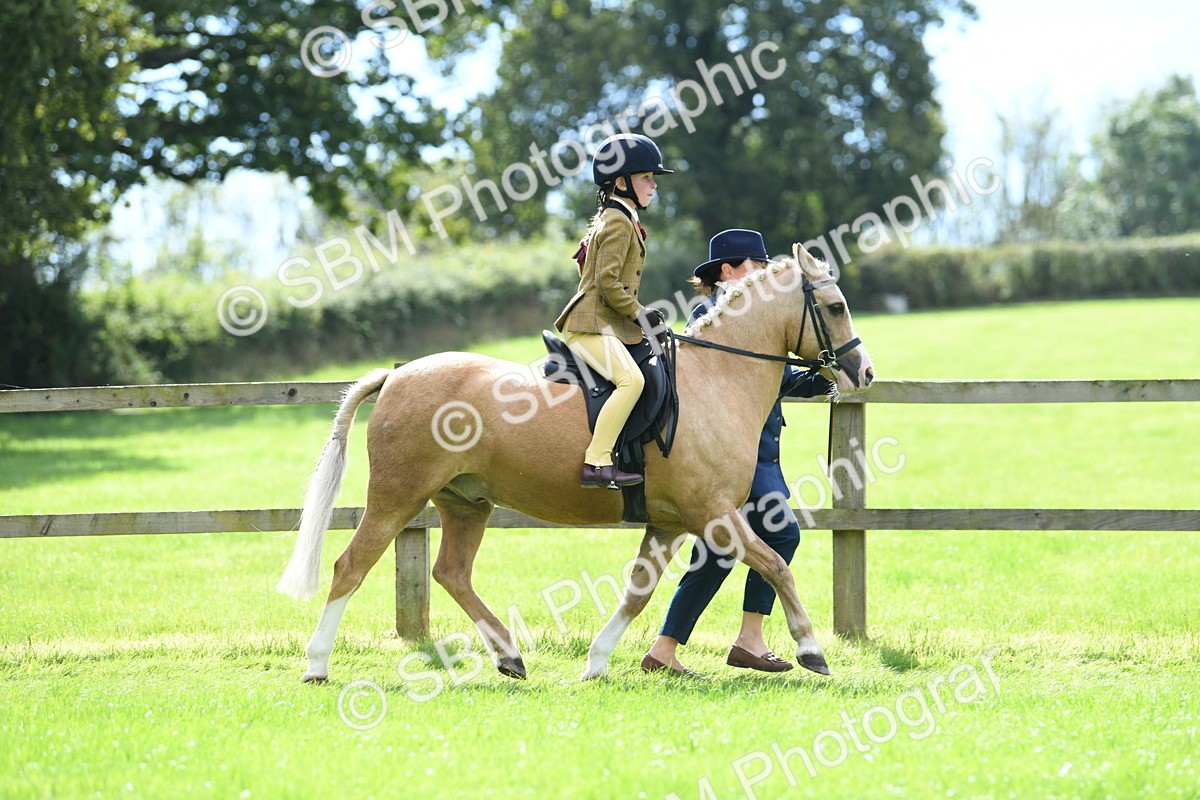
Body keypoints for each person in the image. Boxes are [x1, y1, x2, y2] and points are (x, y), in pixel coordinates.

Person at [641, 229, 833, 676]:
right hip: (726, 456)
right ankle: (748, 639)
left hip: (759, 451)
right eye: (755, 265)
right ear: (727, 272)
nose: (762, 274)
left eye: (765, 267)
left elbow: (776, 378)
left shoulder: (760, 320)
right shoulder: (711, 315)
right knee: (780, 533)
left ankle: (667, 650)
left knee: (718, 550)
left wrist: (822, 375)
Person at [554, 133, 673, 490]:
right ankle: (597, 461)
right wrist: (641, 314)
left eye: (653, 178)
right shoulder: (619, 221)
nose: (653, 185)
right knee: (631, 381)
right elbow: (606, 283)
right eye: (646, 178)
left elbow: (593, 274)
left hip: (603, 324)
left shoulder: (618, 216)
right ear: (621, 183)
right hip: (588, 326)